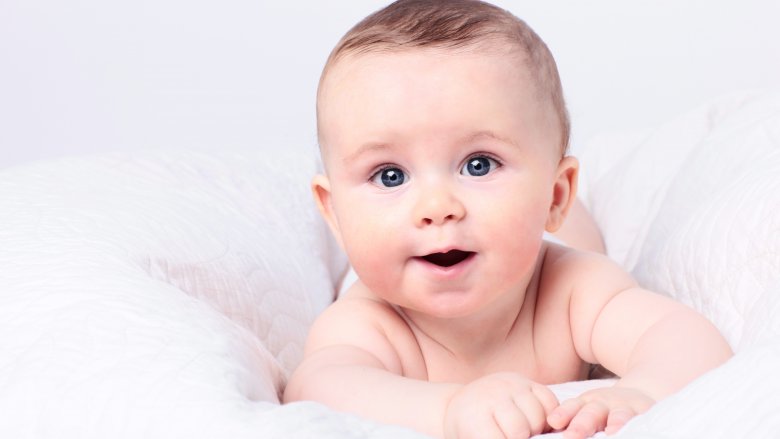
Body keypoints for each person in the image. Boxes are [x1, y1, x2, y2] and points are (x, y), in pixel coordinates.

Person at [283, 1, 733, 438]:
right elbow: (319, 388)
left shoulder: (574, 289)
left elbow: (684, 335)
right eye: (390, 175)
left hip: (552, 233)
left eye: (479, 164)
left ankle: (565, 211)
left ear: (556, 194)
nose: (437, 207)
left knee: (579, 241)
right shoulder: (367, 323)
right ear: (335, 214)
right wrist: (449, 410)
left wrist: (642, 390)